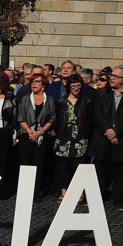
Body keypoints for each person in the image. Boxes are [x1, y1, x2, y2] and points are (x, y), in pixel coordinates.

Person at [88, 64, 123, 209]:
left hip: (122, 140)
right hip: (102, 139)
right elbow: (98, 116)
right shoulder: (101, 94)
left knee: (120, 172)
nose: (111, 78)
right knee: (100, 171)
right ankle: (99, 198)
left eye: (115, 76)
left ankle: (118, 199)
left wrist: (117, 132)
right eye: (112, 75)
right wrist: (109, 132)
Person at [15, 71, 56, 198]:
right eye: (32, 81)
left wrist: (40, 132)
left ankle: (36, 192)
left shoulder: (49, 99)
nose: (33, 84)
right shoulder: (25, 98)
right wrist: (30, 132)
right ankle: (24, 192)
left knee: (39, 164)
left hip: (43, 136)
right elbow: (20, 116)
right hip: (26, 135)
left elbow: (52, 118)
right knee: (26, 164)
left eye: (36, 81)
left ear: (43, 84)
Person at [52, 74, 93, 202]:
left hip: (79, 136)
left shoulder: (87, 101)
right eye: (73, 86)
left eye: (78, 86)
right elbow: (57, 119)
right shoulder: (61, 101)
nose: (76, 88)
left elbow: (90, 121)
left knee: (78, 165)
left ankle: (79, 193)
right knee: (62, 166)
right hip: (64, 135)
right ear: (69, 86)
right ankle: (63, 192)